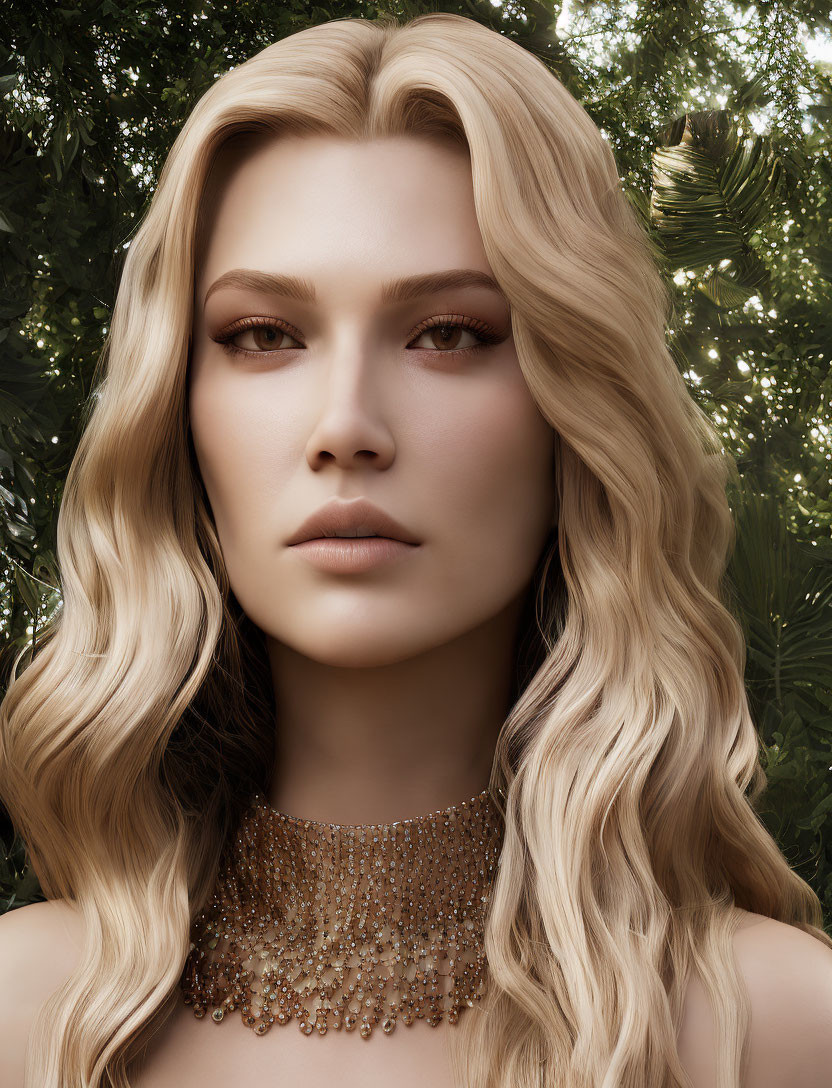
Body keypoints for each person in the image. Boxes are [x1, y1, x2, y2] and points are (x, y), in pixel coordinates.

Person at [1, 12, 831, 1088]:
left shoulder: (768, 1027)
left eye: (449, 333)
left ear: (573, 414)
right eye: (264, 335)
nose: (345, 424)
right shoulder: (25, 1013)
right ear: (177, 415)